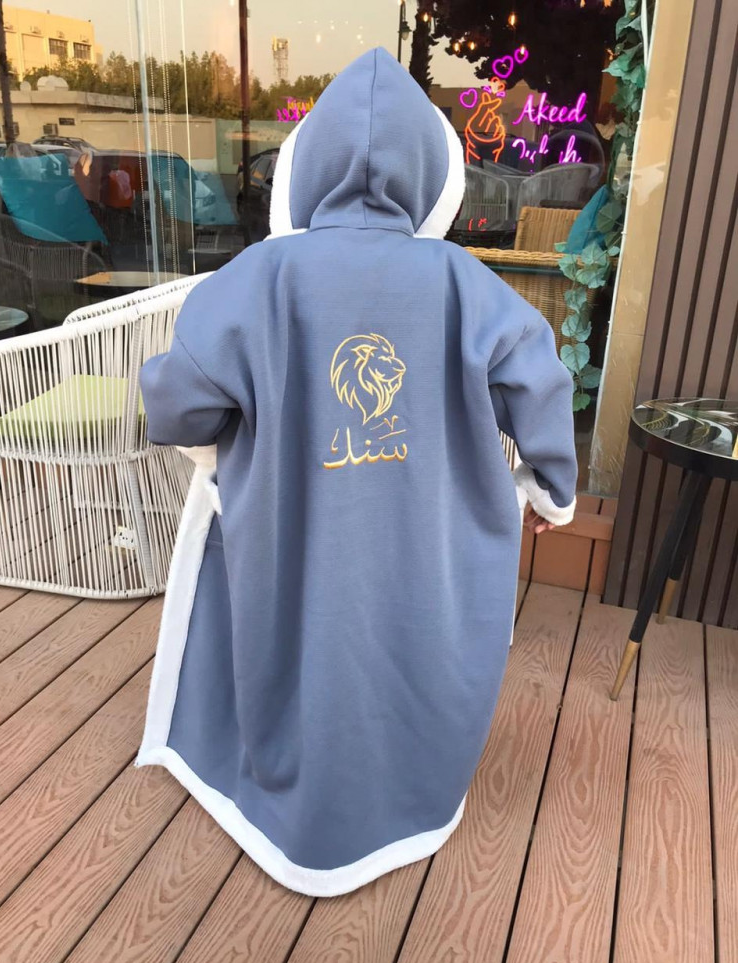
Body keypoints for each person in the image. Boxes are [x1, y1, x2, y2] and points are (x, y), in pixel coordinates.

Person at [136, 48, 577, 897]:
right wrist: (549, 489)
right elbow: (541, 383)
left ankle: (297, 804)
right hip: (426, 538)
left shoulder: (258, 279)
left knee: (297, 639)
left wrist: (218, 437)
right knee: (420, 644)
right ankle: (410, 796)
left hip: (296, 529)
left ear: (305, 168)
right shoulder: (468, 284)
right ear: (433, 175)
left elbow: (178, 402)